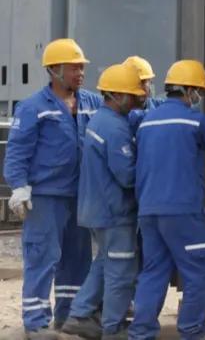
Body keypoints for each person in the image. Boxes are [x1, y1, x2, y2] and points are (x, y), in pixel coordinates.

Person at [127, 60, 205, 340]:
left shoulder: (147, 122)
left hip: (148, 211)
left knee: (153, 272)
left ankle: (141, 332)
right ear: (189, 90)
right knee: (197, 270)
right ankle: (193, 331)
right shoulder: (195, 121)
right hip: (182, 211)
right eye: (199, 92)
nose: (199, 97)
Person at [3, 38, 101, 338]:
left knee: (78, 259)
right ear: (54, 70)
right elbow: (17, 152)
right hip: (46, 198)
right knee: (43, 257)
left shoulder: (91, 103)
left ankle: (69, 316)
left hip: (80, 196)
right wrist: (19, 187)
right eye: (74, 68)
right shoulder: (33, 107)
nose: (80, 73)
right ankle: (35, 322)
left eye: (81, 67)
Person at [61, 64, 146, 339]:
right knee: (121, 270)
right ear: (117, 96)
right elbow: (127, 175)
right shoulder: (115, 128)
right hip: (114, 213)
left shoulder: (101, 119)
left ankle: (80, 315)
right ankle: (113, 327)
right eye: (132, 95)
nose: (137, 99)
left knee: (103, 264)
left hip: (98, 210)